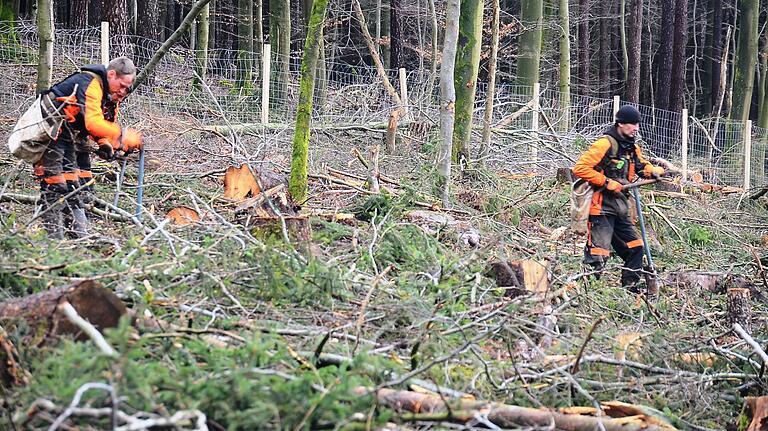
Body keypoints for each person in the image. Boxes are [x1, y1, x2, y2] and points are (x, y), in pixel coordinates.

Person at [34, 56, 143, 239]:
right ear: (111, 74)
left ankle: (78, 234)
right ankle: (54, 242)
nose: (124, 91)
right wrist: (122, 136)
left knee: (80, 182)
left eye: (127, 88)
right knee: (56, 184)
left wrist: (105, 143)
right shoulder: (91, 82)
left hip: (71, 133)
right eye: (122, 86)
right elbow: (92, 122)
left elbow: (102, 122)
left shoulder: (110, 94)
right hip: (51, 129)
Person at [572, 105, 664, 292]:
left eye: (637, 124)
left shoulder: (632, 148)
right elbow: (580, 168)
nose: (636, 128)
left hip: (621, 209)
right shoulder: (605, 144)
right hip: (601, 208)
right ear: (621, 123)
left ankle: (630, 290)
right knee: (598, 254)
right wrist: (606, 182)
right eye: (632, 124)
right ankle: (589, 292)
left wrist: (652, 171)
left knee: (636, 247)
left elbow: (641, 166)